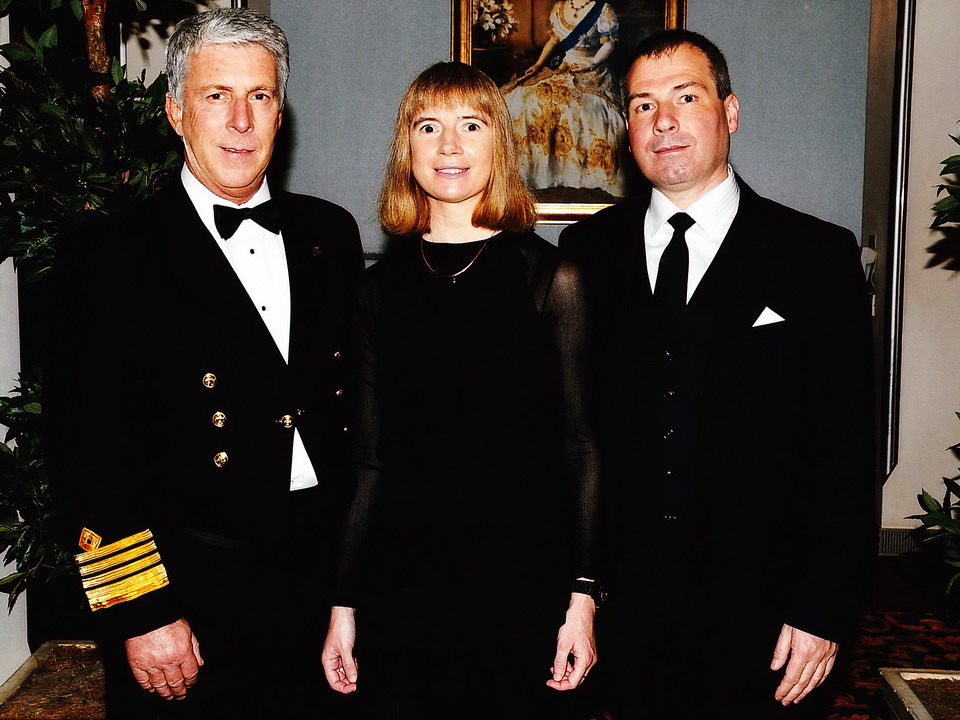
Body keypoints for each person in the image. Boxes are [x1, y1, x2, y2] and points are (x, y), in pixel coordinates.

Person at [46, 8, 362, 719]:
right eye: (217, 96)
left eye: (261, 96)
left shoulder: (329, 235)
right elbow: (85, 454)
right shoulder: (110, 255)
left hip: (321, 584)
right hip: (189, 591)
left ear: (281, 112)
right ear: (176, 113)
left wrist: (356, 584)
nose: (241, 121)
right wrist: (141, 612)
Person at [558, 30, 875, 718]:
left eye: (686, 97)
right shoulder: (586, 253)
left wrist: (822, 608)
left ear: (730, 112)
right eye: (643, 105)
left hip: (766, 617)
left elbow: (846, 450)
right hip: (625, 615)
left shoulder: (815, 256)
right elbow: (572, 436)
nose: (663, 121)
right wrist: (578, 594)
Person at [320, 61, 601, 719]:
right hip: (403, 586)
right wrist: (343, 602)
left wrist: (583, 598)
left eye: (471, 125)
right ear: (407, 148)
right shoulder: (376, 291)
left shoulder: (551, 279)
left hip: (522, 586)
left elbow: (583, 446)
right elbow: (369, 461)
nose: (449, 145)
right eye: (429, 126)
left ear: (498, 142)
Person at [500, 0, 626, 198]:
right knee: (523, 98)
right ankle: (537, 171)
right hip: (560, 67)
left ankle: (577, 173)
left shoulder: (603, 10)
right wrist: (538, 64)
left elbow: (608, 44)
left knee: (581, 107)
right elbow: (554, 40)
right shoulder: (560, 7)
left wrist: (590, 64)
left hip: (591, 70)